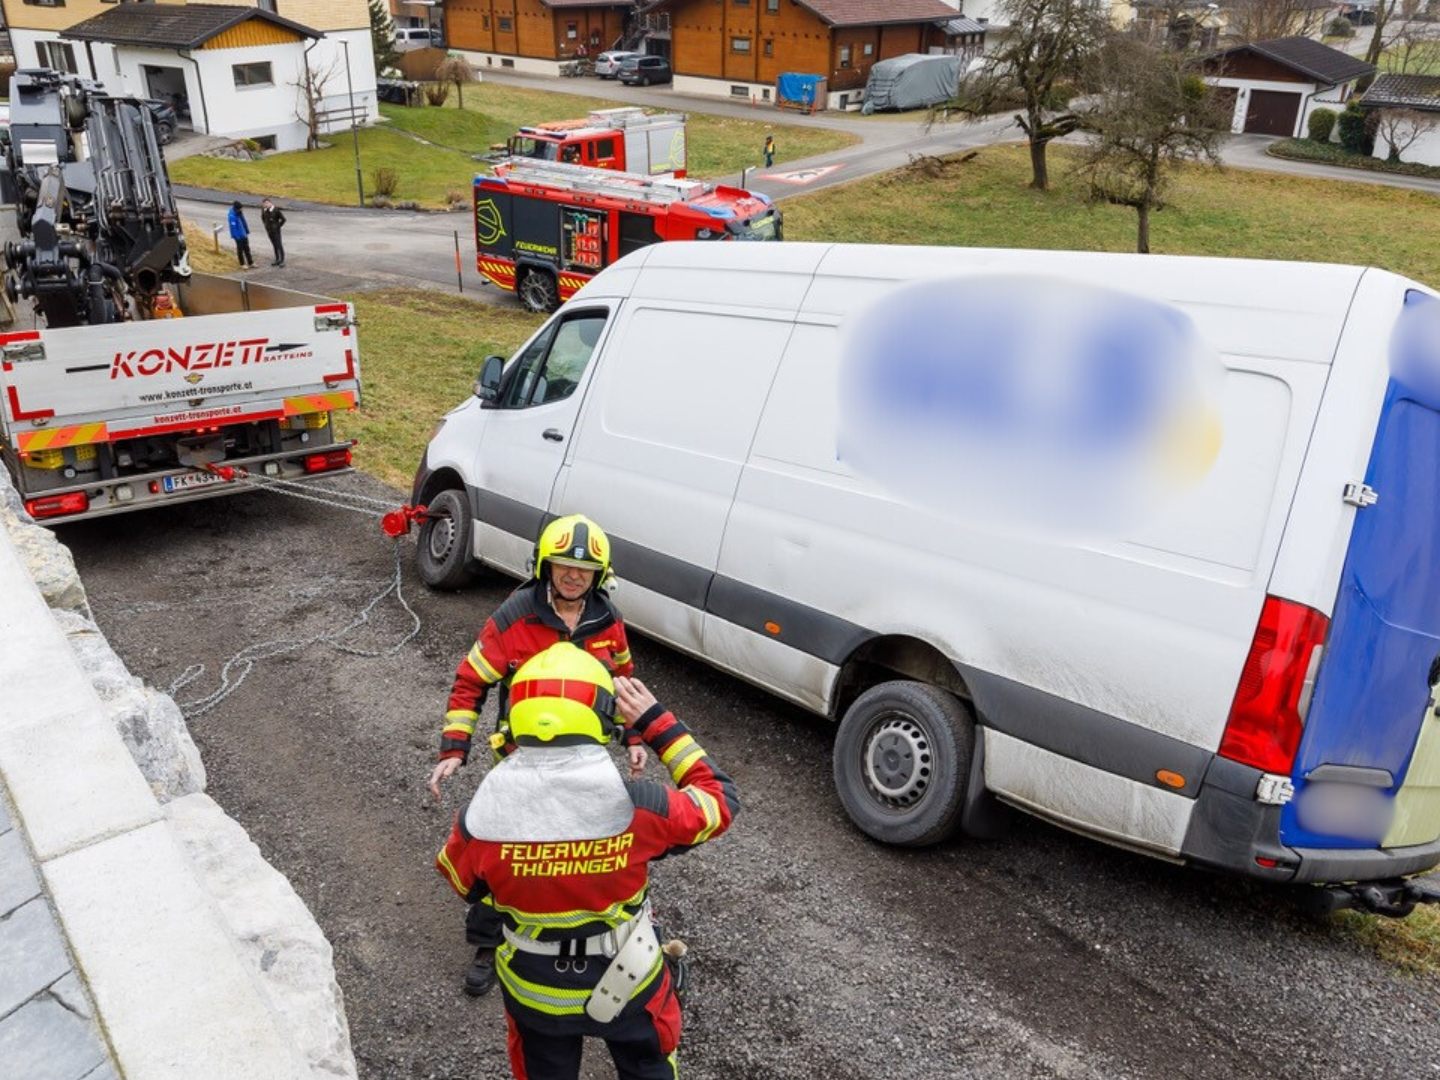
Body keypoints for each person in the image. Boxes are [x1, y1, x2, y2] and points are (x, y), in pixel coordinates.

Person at [435, 643, 739, 1080]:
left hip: (535, 995)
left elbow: (466, 885)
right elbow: (719, 801)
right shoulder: (641, 808)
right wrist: (657, 723)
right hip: (630, 979)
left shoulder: (479, 822)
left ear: (515, 719)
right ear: (603, 719)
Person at [429, 513, 648, 997]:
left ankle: (572, 933)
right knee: (509, 850)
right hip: (519, 759)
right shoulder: (514, 617)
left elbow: (623, 683)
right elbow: (471, 681)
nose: (573, 576)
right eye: (564, 565)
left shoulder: (608, 621)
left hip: (585, 762)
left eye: (585, 569)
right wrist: (455, 748)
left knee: (576, 848)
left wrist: (634, 739)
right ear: (544, 565)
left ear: (600, 575)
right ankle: (489, 944)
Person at [261, 198, 287, 267]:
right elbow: (263, 218)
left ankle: (282, 260)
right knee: (274, 245)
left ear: (270, 203)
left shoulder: (276, 210)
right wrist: (266, 225)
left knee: (279, 245)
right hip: (269, 231)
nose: (265, 205)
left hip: (276, 231)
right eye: (264, 204)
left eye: (267, 203)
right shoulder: (264, 210)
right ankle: (277, 259)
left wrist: (278, 226)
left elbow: (283, 219)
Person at [227, 200, 254, 268]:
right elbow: (233, 228)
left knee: (247, 248)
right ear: (237, 208)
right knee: (240, 250)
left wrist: (246, 230)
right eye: (241, 208)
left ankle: (250, 262)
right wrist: (237, 237)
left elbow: (243, 222)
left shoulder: (239, 212)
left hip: (243, 233)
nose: (242, 209)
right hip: (238, 236)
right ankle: (242, 264)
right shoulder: (232, 216)